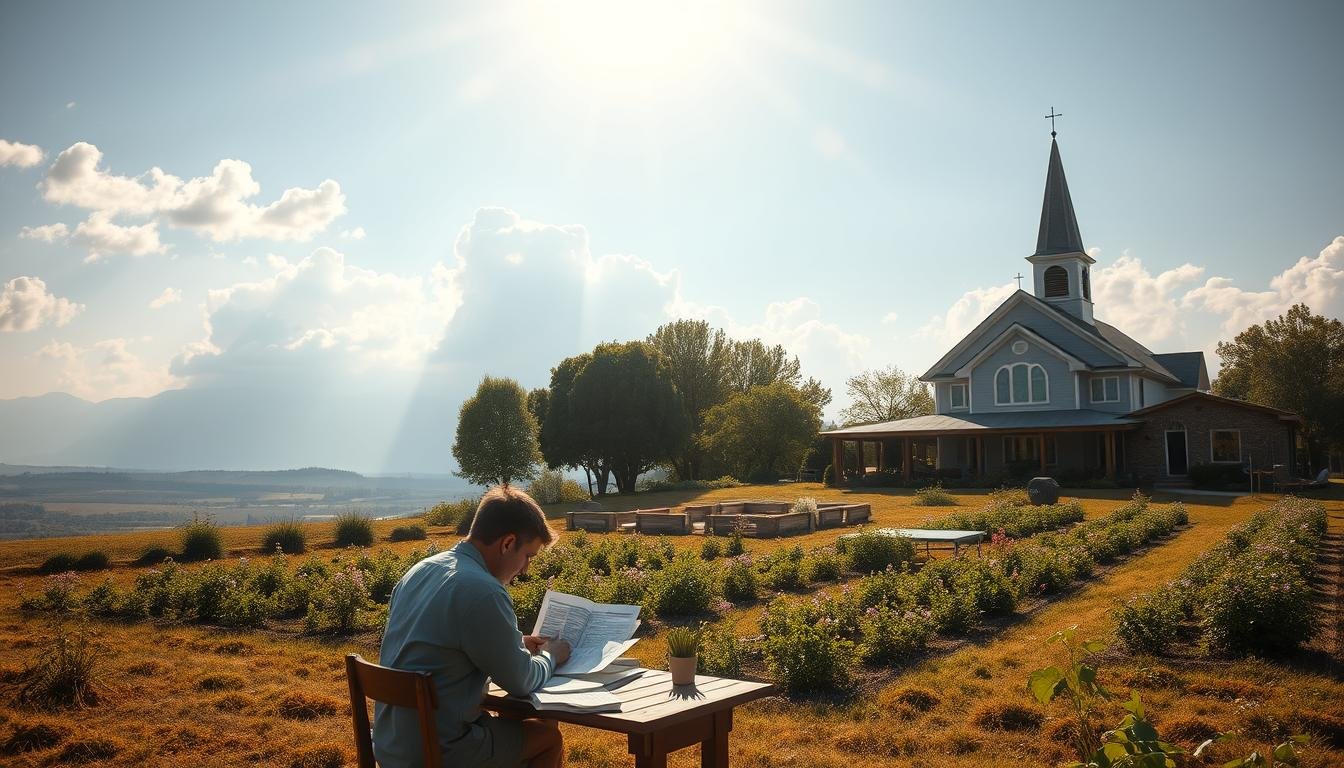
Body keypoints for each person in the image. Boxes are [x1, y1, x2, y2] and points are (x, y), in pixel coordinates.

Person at [373, 485, 570, 768]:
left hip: (392, 742)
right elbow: (521, 680)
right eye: (528, 556)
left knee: (516, 729)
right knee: (546, 739)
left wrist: (515, 644)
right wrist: (551, 655)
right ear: (507, 543)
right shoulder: (483, 591)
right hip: (440, 750)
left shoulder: (421, 570)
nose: (526, 568)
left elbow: (444, 644)